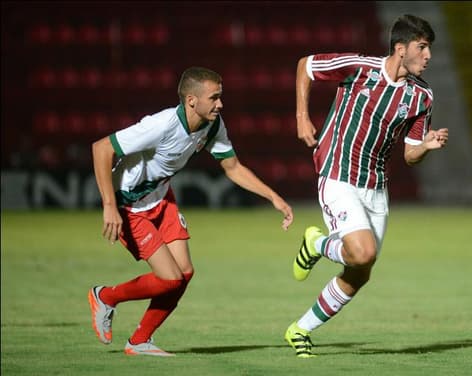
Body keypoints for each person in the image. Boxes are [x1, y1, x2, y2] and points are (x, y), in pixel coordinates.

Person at [89, 66, 294, 356]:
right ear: (191, 100)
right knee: (169, 278)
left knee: (184, 273)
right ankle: (105, 296)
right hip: (129, 205)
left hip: (162, 199)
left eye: (220, 97)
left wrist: (273, 197)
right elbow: (101, 149)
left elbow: (233, 167)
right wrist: (109, 206)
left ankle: (139, 341)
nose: (220, 104)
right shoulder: (161, 125)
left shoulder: (212, 125)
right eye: (214, 98)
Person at [284, 14, 448, 357]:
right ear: (401, 49)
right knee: (363, 252)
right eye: (422, 47)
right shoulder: (361, 67)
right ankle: (317, 245)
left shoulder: (422, 97)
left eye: (429, 48)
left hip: (375, 185)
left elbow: (410, 156)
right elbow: (306, 66)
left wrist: (426, 146)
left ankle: (300, 329)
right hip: (337, 171)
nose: (428, 55)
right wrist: (301, 116)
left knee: (360, 272)